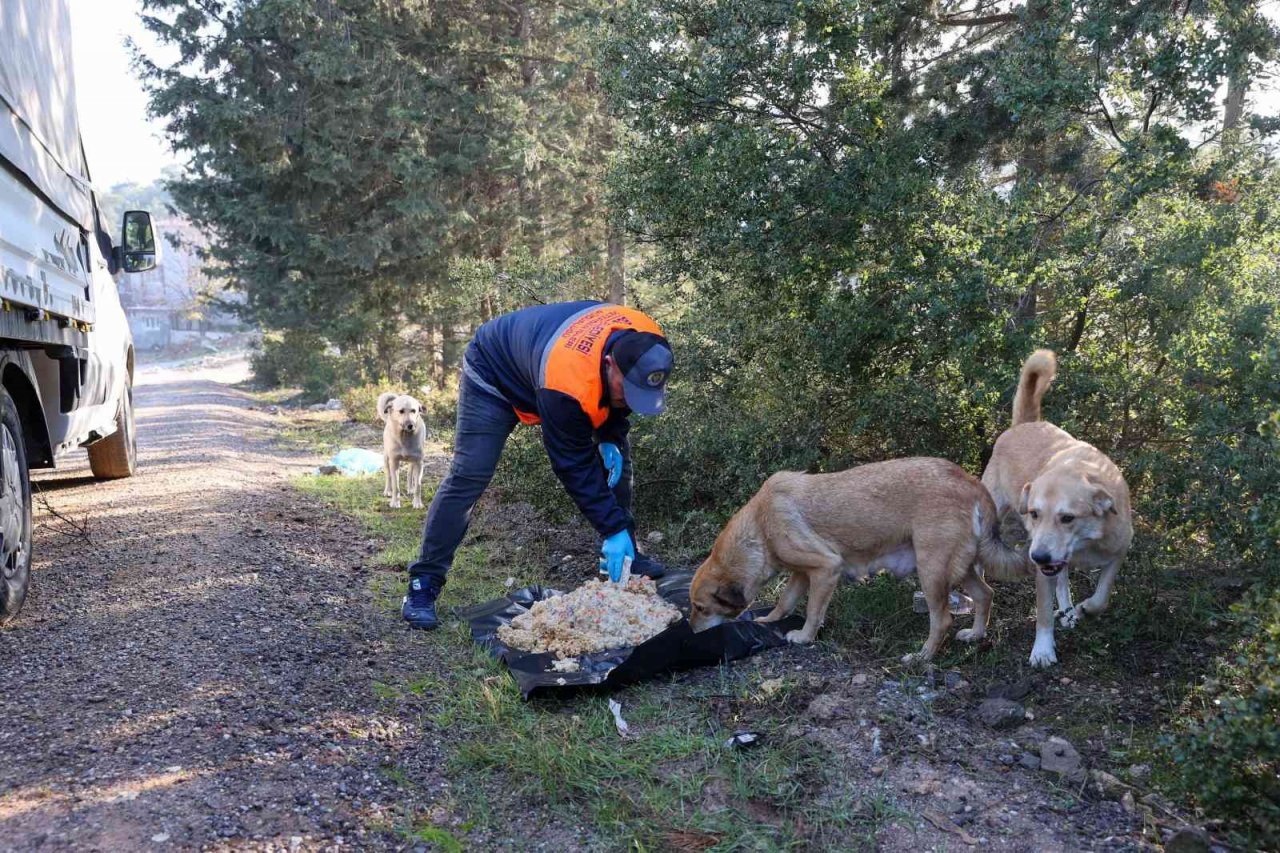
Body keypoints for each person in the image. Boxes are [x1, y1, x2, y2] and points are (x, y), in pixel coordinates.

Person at [401, 300, 675, 629]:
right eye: (626, 390)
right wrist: (612, 528)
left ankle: (627, 558)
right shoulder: (567, 381)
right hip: (493, 371)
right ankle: (423, 583)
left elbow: (620, 399)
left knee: (617, 459)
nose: (630, 399)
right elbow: (573, 464)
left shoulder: (650, 341)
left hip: (543, 364)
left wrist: (610, 434)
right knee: (470, 473)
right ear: (609, 363)